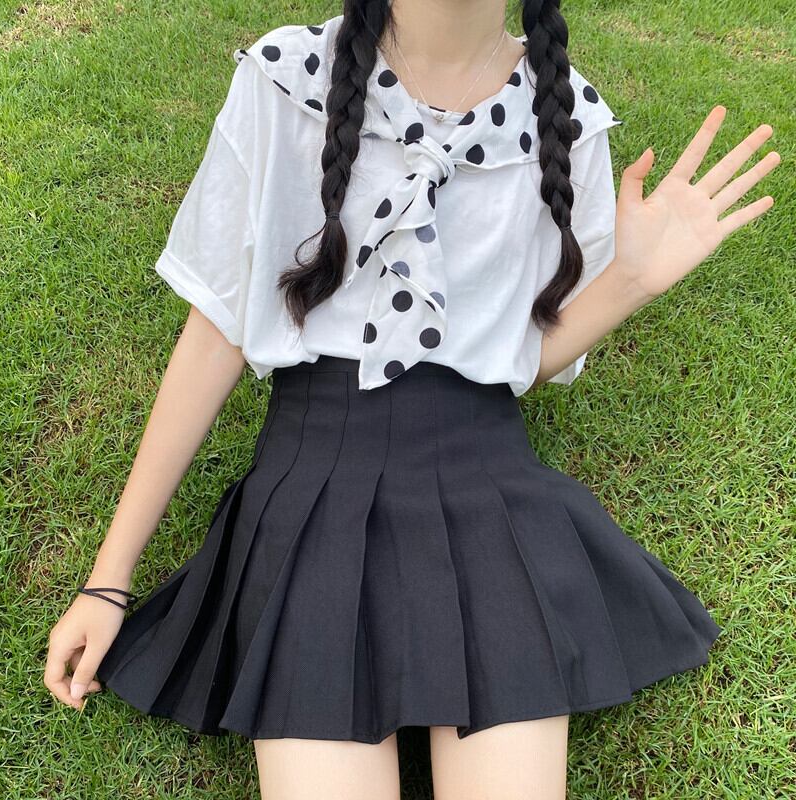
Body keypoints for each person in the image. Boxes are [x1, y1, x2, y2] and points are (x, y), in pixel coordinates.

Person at [43, 2, 779, 798]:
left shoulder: (565, 118)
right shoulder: (286, 79)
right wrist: (108, 579)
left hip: (487, 490)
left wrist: (629, 280)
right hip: (313, 492)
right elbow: (217, 329)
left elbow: (519, 361)